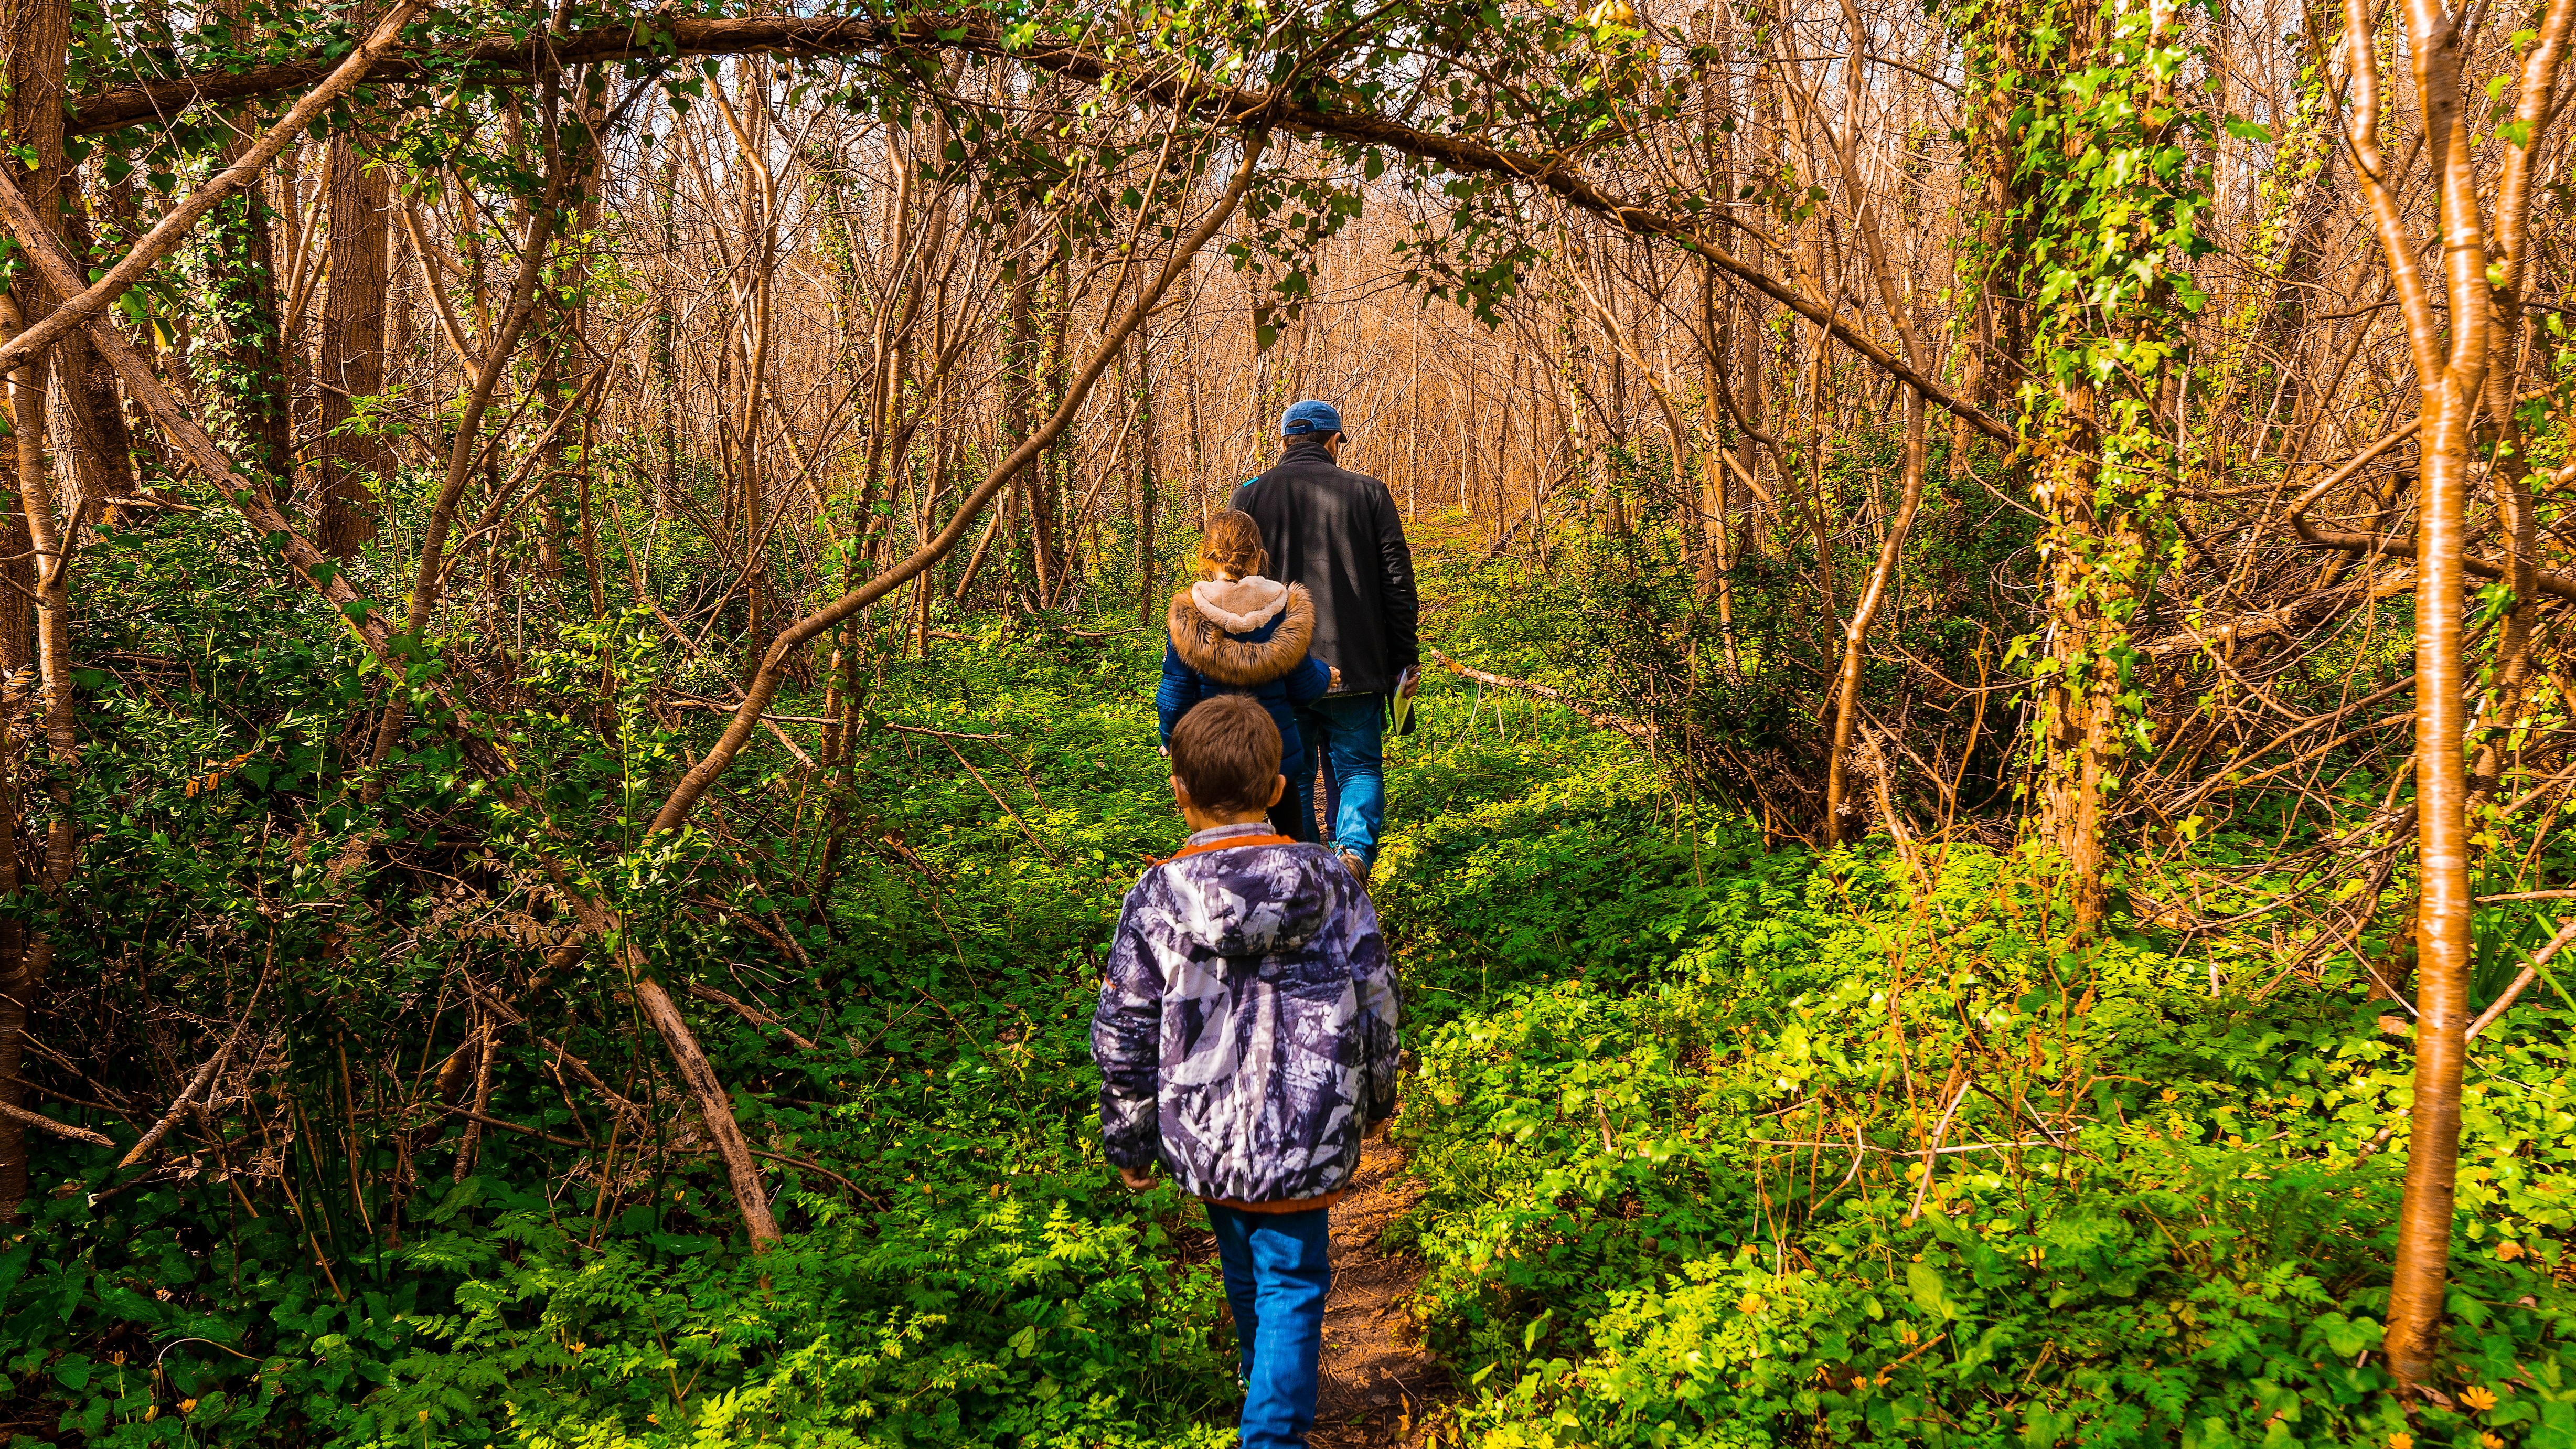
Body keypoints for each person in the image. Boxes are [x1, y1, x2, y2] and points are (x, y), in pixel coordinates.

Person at [1092, 694, 1401, 1449]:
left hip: (1206, 1132)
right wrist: (1377, 1096)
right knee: (1292, 1279)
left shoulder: (1156, 898)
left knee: (1246, 1265)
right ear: (1275, 789)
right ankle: (1270, 1408)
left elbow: (1124, 1030)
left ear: (1179, 790)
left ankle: (1263, 1411)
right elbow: (1375, 997)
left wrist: (1130, 1139)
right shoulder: (1330, 881)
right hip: (1308, 1121)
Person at [1231, 399, 1420, 883]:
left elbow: (1230, 588)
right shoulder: (1369, 492)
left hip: (1277, 667)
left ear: (1286, 441)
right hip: (1356, 664)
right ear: (1333, 440)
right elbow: (1397, 582)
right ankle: (1351, 855)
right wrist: (1403, 661)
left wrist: (1237, 667)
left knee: (1291, 774)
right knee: (1357, 768)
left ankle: (1309, 867)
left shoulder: (1249, 496)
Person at [1155, 510, 1338, 841]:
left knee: (1222, 838)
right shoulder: (1283, 609)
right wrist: (1327, 675)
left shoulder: (1191, 616)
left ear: (1208, 559)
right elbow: (1303, 687)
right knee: (1292, 836)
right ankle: (1300, 886)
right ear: (1258, 558)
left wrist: (1172, 741)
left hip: (1215, 756)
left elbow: (1176, 693)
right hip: (1275, 756)